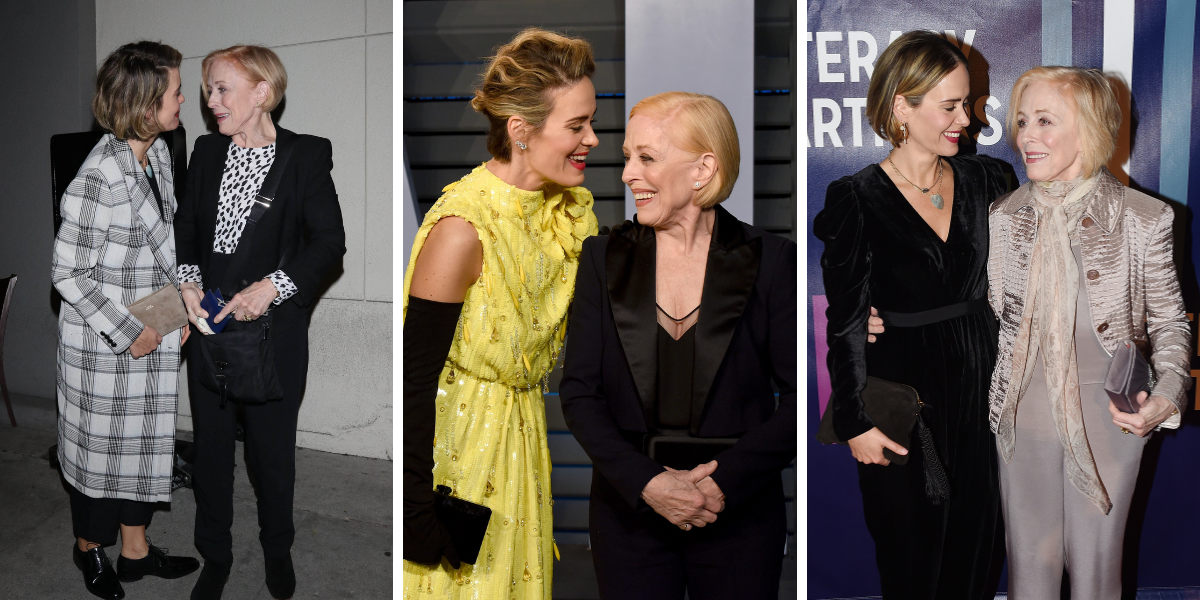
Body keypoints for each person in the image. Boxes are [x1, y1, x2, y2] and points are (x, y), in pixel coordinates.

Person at [558, 91, 797, 599]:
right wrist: (647, 483)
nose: (627, 174)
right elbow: (579, 394)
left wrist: (721, 483)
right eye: (628, 158)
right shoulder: (601, 258)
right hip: (628, 516)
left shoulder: (774, 261)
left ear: (703, 169)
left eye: (647, 157)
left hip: (738, 515)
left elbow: (804, 402)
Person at [401, 28, 599, 599]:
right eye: (576, 125)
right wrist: (416, 512)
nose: (592, 138)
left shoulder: (567, 210)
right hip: (457, 452)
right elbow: (416, 381)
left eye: (590, 120)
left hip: (522, 439)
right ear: (520, 130)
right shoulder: (462, 229)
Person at [813, 30, 1009, 599]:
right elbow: (847, 322)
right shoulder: (856, 197)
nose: (965, 119)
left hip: (985, 394)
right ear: (902, 104)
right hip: (903, 401)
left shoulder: (989, 179)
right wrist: (854, 421)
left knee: (977, 556)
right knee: (911, 564)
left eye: (968, 104)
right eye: (949, 106)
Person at [986, 66, 1190, 599]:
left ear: (1090, 128)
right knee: (1029, 562)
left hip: (1110, 418)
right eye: (1023, 120)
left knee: (1097, 567)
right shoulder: (1005, 216)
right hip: (1021, 413)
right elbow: (992, 313)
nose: (1026, 135)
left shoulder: (1145, 218)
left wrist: (1167, 396)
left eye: (1045, 121)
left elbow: (1169, 322)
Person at [174, 44, 346, 600]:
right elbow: (187, 230)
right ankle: (216, 557)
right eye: (208, 90)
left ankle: (277, 551)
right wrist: (188, 279)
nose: (211, 100)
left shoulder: (306, 156)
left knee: (271, 459)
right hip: (210, 334)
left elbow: (329, 245)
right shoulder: (204, 152)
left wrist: (275, 287)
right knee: (212, 456)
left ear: (262, 94)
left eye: (223, 89)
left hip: (274, 339)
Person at [51, 40, 200, 600]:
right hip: (104, 347)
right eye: (175, 92)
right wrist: (129, 331)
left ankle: (135, 552)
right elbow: (67, 273)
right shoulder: (98, 179)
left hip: (151, 329)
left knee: (145, 447)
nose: (185, 98)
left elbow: (158, 252)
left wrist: (179, 305)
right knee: (99, 458)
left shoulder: (157, 155)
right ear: (143, 107)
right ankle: (88, 549)